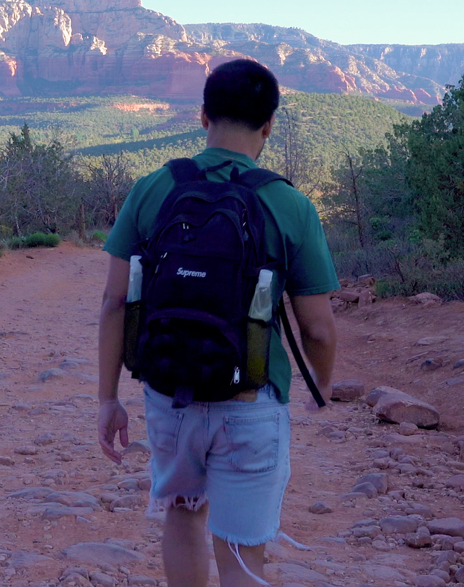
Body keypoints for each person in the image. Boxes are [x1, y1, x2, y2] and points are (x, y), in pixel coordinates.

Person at [95, 58, 339, 587]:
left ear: (202, 116)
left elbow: (115, 303)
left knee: (183, 514)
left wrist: (107, 398)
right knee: (243, 553)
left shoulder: (153, 188)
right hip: (251, 404)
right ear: (269, 125)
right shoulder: (290, 204)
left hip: (169, 396)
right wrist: (321, 383)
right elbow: (316, 328)